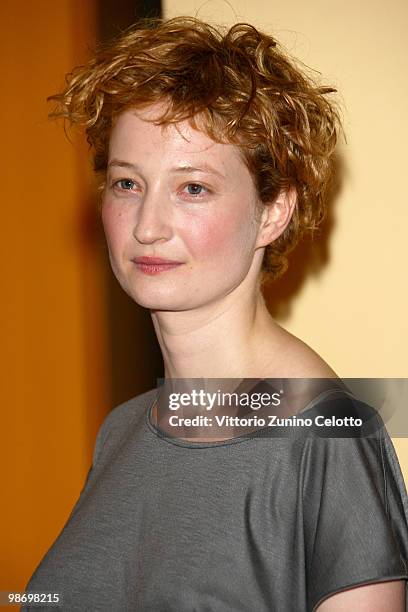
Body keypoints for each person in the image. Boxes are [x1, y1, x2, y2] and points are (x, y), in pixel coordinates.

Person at [24, 16, 408, 611]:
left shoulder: (328, 437)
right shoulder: (121, 430)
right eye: (127, 184)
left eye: (193, 188)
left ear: (275, 211)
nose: (147, 227)